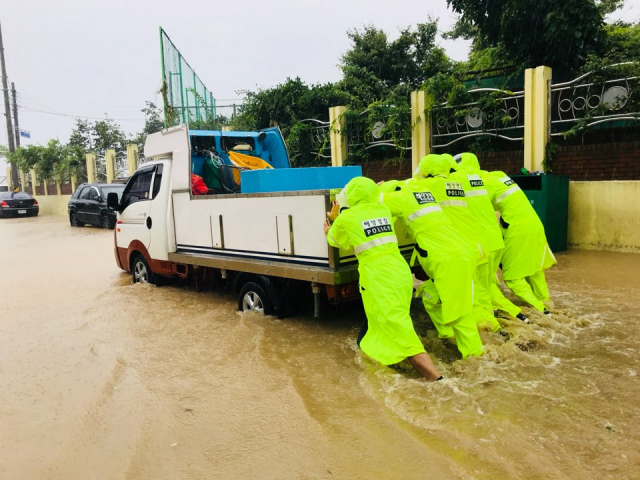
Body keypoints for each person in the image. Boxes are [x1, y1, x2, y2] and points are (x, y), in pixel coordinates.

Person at [324, 177, 442, 381]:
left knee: (401, 330)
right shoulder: (383, 210)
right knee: (388, 323)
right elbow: (377, 201)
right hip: (400, 273)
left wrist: (333, 219)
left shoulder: (347, 217)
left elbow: (336, 239)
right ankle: (389, 361)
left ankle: (437, 381)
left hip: (380, 278)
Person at [378, 180, 484, 359]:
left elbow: (372, 202)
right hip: (459, 253)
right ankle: (447, 335)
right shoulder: (423, 195)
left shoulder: (401, 197)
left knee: (460, 314)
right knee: (430, 296)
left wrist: (379, 187)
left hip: (448, 259)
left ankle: (475, 359)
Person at [459, 153, 556, 313]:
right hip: (534, 223)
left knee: (513, 278)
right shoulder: (498, 175)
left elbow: (478, 212)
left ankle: (542, 311)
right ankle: (546, 302)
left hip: (517, 229)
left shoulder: (478, 183)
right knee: (534, 270)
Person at [416, 154, 500, 332]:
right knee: (481, 296)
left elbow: (407, 189)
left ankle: (482, 341)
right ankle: (497, 331)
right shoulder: (459, 183)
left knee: (465, 300)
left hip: (464, 249)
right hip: (482, 245)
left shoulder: (428, 185)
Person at [450, 153, 529, 323]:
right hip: (494, 241)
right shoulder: (483, 178)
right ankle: (518, 315)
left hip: (478, 246)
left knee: (479, 291)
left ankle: (492, 328)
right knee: (487, 287)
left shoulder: (453, 180)